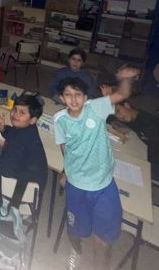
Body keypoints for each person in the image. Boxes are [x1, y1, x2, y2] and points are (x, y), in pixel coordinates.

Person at [53, 66, 141, 270]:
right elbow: (65, 147)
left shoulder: (96, 108)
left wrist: (125, 79)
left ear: (86, 97)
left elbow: (122, 94)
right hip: (77, 184)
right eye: (68, 94)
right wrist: (66, 171)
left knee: (103, 239)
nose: (73, 99)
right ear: (62, 98)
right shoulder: (59, 120)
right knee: (75, 229)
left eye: (78, 94)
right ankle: (75, 251)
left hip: (103, 185)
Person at [0, 94, 48, 189]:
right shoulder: (29, 129)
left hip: (19, 190)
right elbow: (14, 133)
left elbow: (5, 168)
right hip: (35, 187)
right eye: (14, 110)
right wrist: (3, 129)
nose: (15, 115)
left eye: (22, 113)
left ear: (32, 120)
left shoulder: (16, 146)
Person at [112, 102, 159, 184]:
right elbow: (111, 119)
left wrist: (139, 163)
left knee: (122, 167)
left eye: (118, 111)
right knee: (120, 158)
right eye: (116, 115)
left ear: (127, 105)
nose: (119, 116)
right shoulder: (135, 117)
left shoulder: (150, 124)